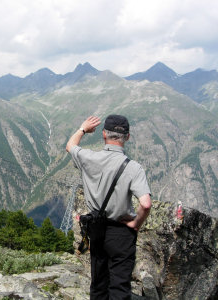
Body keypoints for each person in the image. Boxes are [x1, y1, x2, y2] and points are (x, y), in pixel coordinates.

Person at [66, 115, 152, 300]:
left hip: (97, 230)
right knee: (119, 287)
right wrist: (136, 223)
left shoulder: (89, 158)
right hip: (121, 232)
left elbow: (70, 146)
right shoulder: (133, 167)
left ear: (104, 134)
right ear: (127, 137)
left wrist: (82, 129)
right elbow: (145, 204)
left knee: (98, 284)